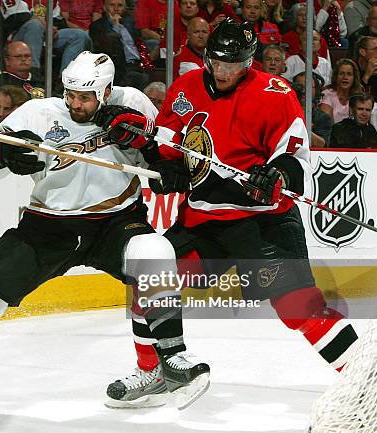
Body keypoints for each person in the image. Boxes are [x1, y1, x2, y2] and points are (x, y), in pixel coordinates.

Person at [0, 51, 210, 408]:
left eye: (85, 97)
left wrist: (144, 140)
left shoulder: (132, 102)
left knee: (153, 253)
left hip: (115, 221)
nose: (75, 103)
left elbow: (166, 154)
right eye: (70, 94)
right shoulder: (41, 112)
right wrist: (1, 153)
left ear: (107, 90)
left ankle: (168, 361)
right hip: (47, 226)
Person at [106, 19, 359, 408]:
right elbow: (170, 144)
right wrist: (161, 163)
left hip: (263, 222)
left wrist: (277, 173)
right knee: (150, 275)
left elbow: (295, 156)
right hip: (203, 220)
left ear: (249, 61)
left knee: (298, 307)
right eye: (217, 62)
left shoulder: (275, 93)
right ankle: (152, 371)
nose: (223, 72)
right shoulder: (186, 88)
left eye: (233, 64)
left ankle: (363, 376)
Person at [318, 58, 364, 123]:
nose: (345, 77)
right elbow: (326, 125)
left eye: (349, 74)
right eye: (341, 73)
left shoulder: (358, 96)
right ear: (336, 76)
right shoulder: (327, 95)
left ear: (354, 78)